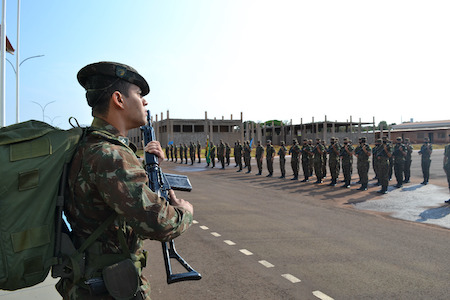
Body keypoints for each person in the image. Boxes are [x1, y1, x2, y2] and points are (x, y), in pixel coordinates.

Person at [58, 61, 194, 299]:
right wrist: (184, 212)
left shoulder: (88, 145)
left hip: (90, 280)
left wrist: (149, 168)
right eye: (139, 94)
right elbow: (158, 222)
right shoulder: (112, 155)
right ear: (119, 100)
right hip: (109, 287)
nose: (145, 101)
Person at [444, 138, 450, 204]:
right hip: (449, 167)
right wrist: (444, 166)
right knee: (449, 183)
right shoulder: (447, 147)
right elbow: (445, 157)